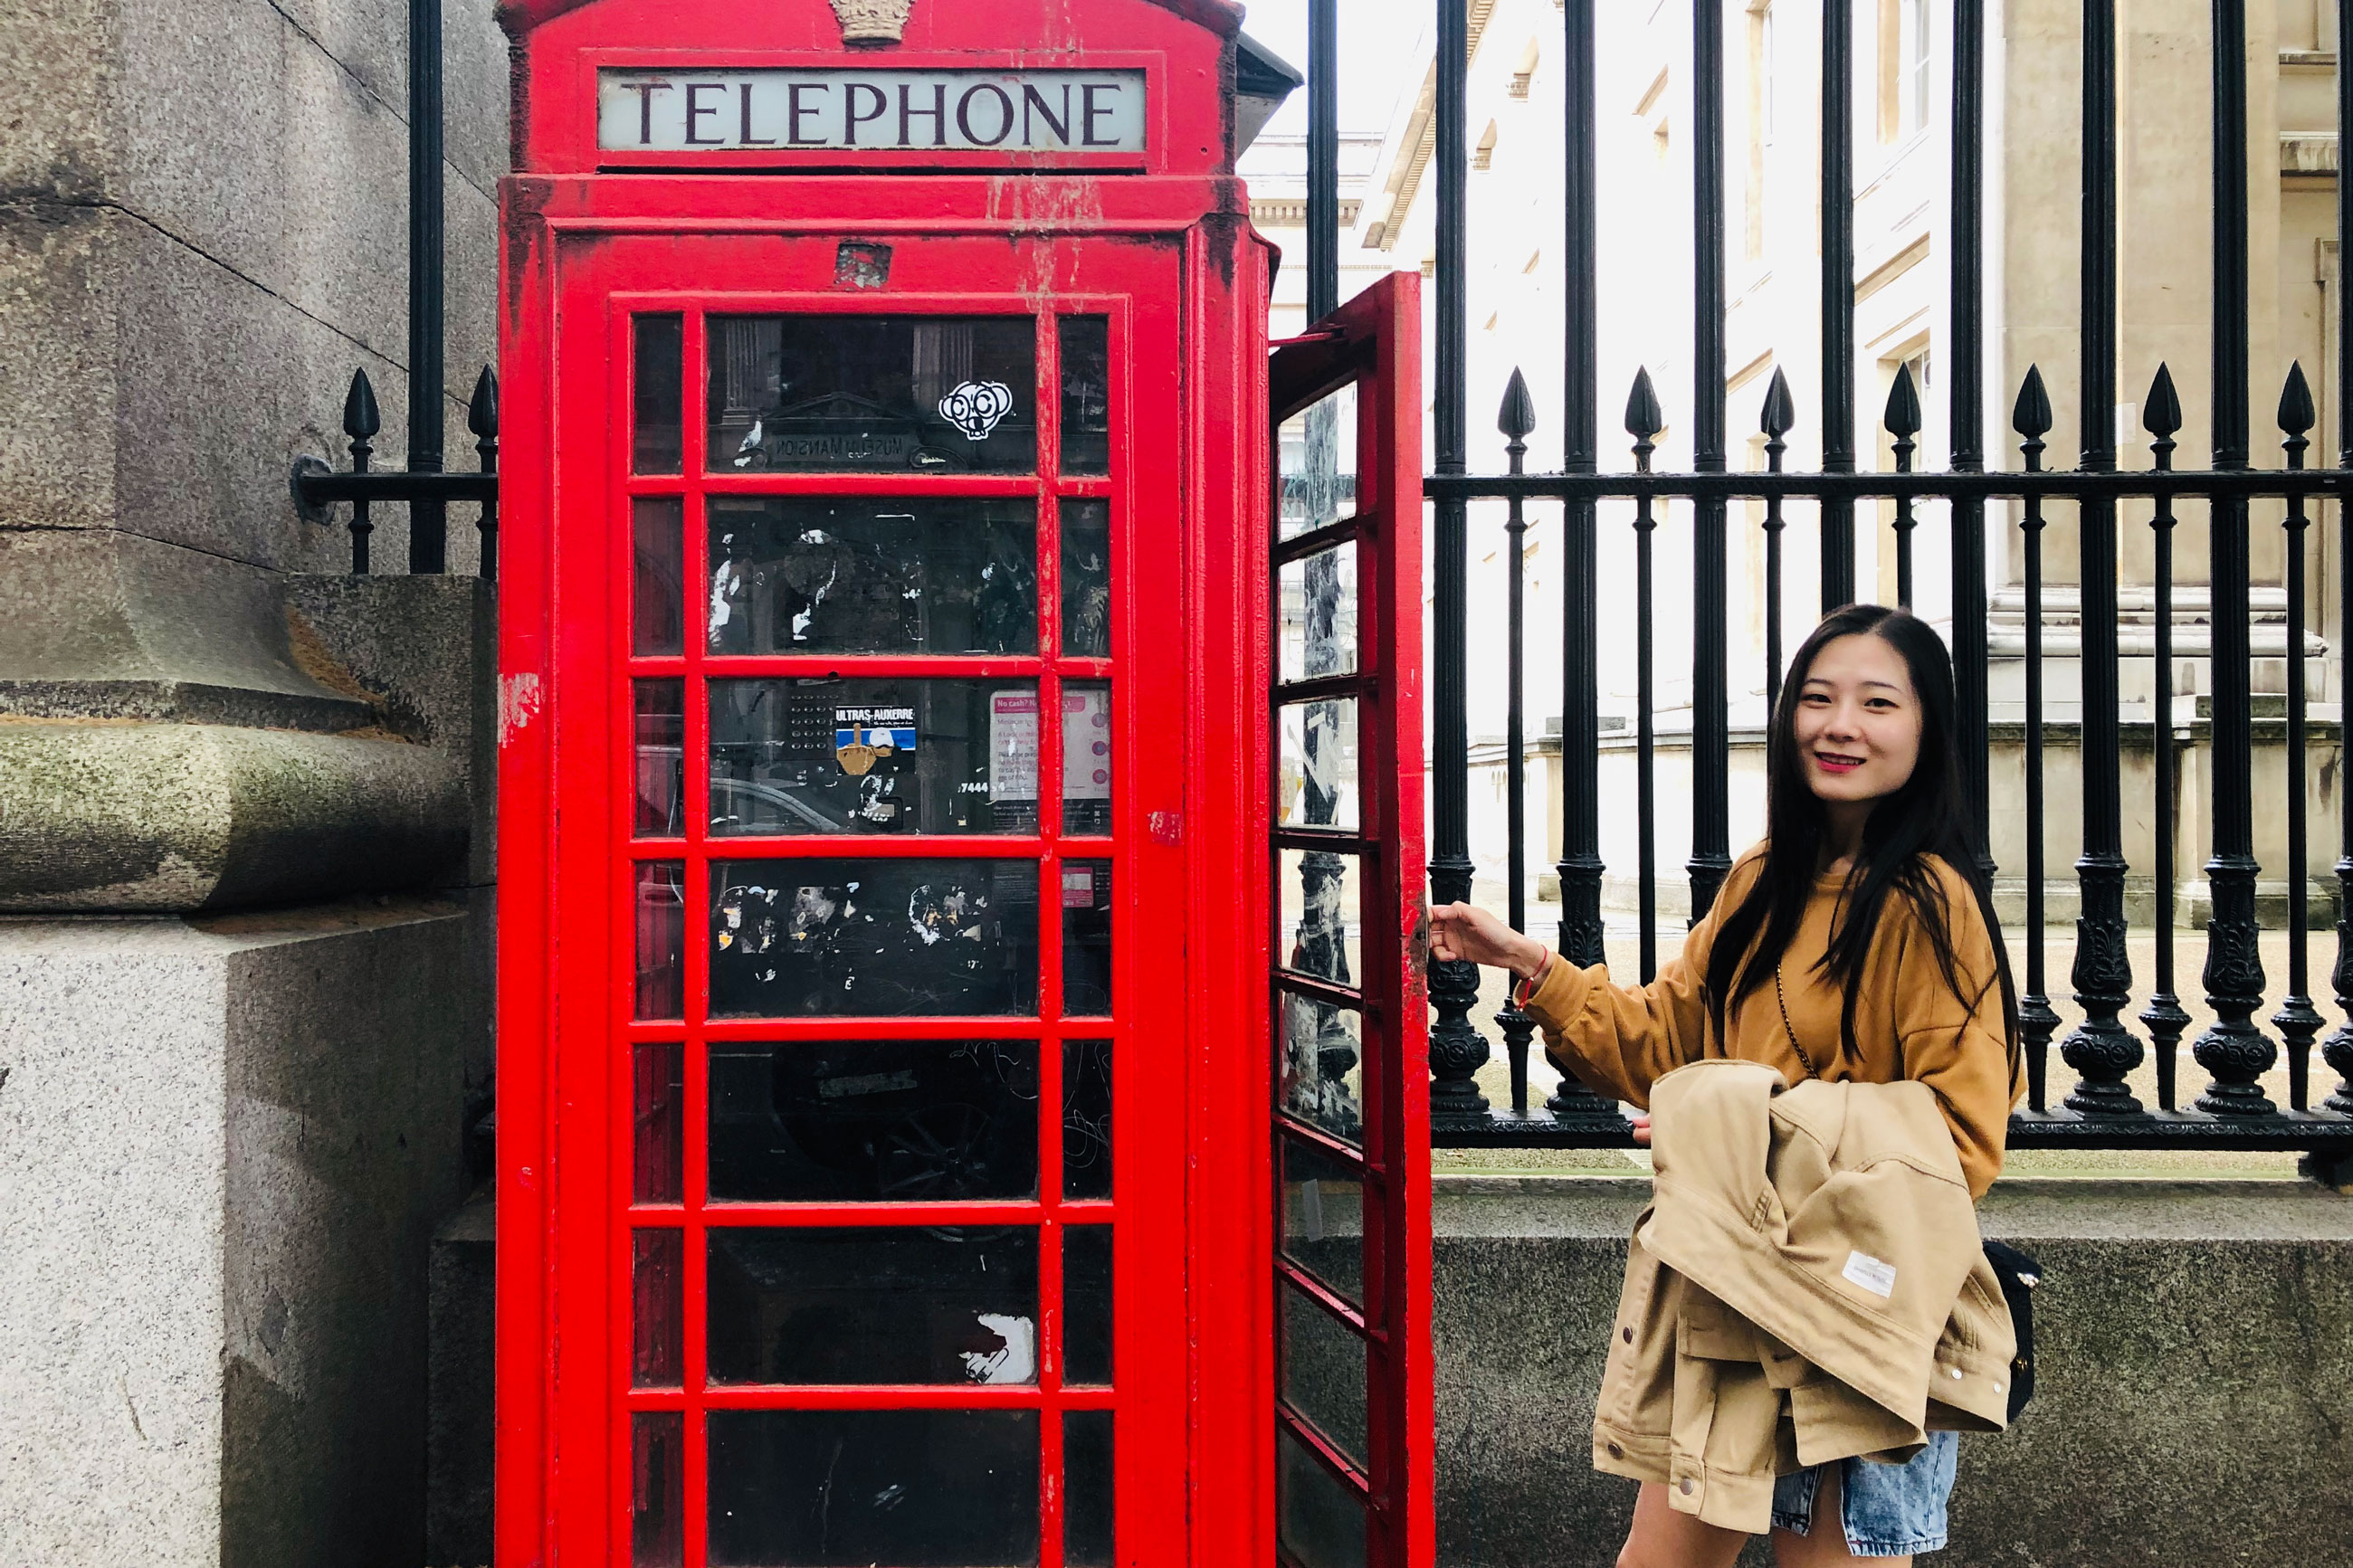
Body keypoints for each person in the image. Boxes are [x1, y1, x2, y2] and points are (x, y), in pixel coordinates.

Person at [1430, 604, 2022, 1568]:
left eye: (1876, 702)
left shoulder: (1929, 903)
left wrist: (1730, 1119)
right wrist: (1531, 963)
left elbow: (1959, 1137)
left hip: (1852, 1308)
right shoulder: (1763, 878)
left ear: (1926, 728)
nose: (1840, 725)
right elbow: (1666, 1042)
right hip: (1731, 1287)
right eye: (1818, 698)